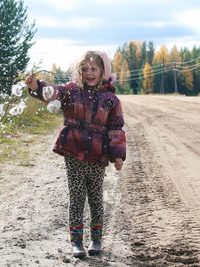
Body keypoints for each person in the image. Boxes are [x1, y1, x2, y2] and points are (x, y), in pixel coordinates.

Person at [25, 51, 126, 258]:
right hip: (74, 152)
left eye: (94, 69)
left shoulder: (111, 100)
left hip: (98, 157)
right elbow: (53, 92)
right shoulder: (71, 91)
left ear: (103, 72)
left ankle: (96, 240)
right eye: (85, 69)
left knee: (96, 198)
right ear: (79, 71)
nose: (89, 73)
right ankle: (77, 242)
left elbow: (116, 129)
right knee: (77, 197)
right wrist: (36, 87)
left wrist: (117, 155)